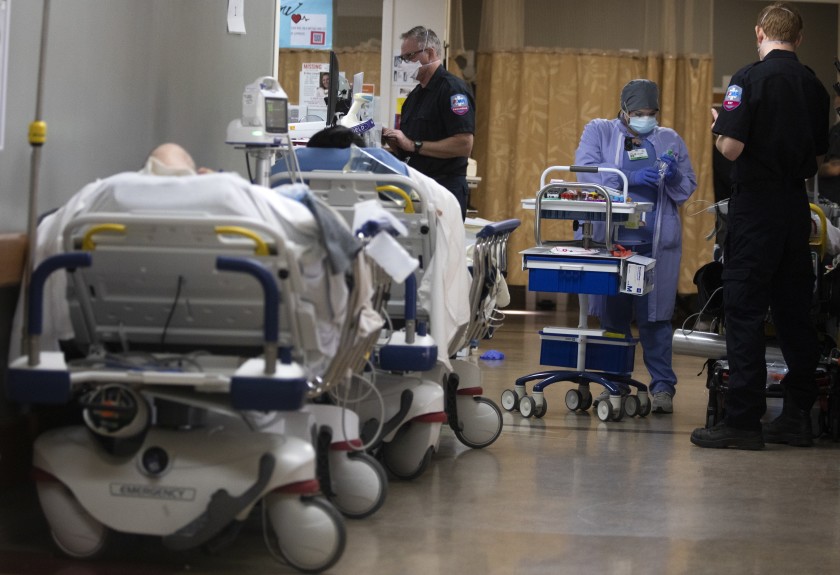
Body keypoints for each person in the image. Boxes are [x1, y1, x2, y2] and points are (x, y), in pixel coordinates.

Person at [690, 2, 830, 450]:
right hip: (795, 208)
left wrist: (719, 127)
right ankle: (795, 417)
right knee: (794, 314)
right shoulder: (814, 86)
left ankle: (743, 421)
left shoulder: (747, 80)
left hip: (756, 209)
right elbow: (821, 158)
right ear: (800, 38)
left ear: (758, 33)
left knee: (746, 311)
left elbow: (731, 149)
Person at [10, 143, 208, 360]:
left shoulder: (105, 196)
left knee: (51, 220)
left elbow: (53, 235)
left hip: (104, 325)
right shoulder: (222, 202)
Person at [574, 79, 697, 414]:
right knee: (613, 318)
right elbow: (587, 174)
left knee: (655, 319)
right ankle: (613, 383)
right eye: (639, 113)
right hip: (614, 242)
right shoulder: (600, 132)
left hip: (654, 242)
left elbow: (687, 185)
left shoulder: (669, 139)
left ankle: (662, 389)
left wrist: (672, 177)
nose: (646, 118)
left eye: (651, 113)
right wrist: (625, 180)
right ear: (624, 109)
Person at [382, 26, 475, 220]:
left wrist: (413, 145)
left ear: (430, 53)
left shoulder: (452, 90)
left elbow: (464, 145)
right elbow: (411, 146)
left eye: (409, 57)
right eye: (403, 58)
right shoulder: (415, 96)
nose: (404, 63)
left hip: (445, 189)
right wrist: (397, 144)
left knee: (442, 249)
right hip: (419, 188)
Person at [817, 94, 840, 203]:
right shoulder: (835, 129)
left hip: (833, 198)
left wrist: (813, 168)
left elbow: (835, 168)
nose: (835, 99)